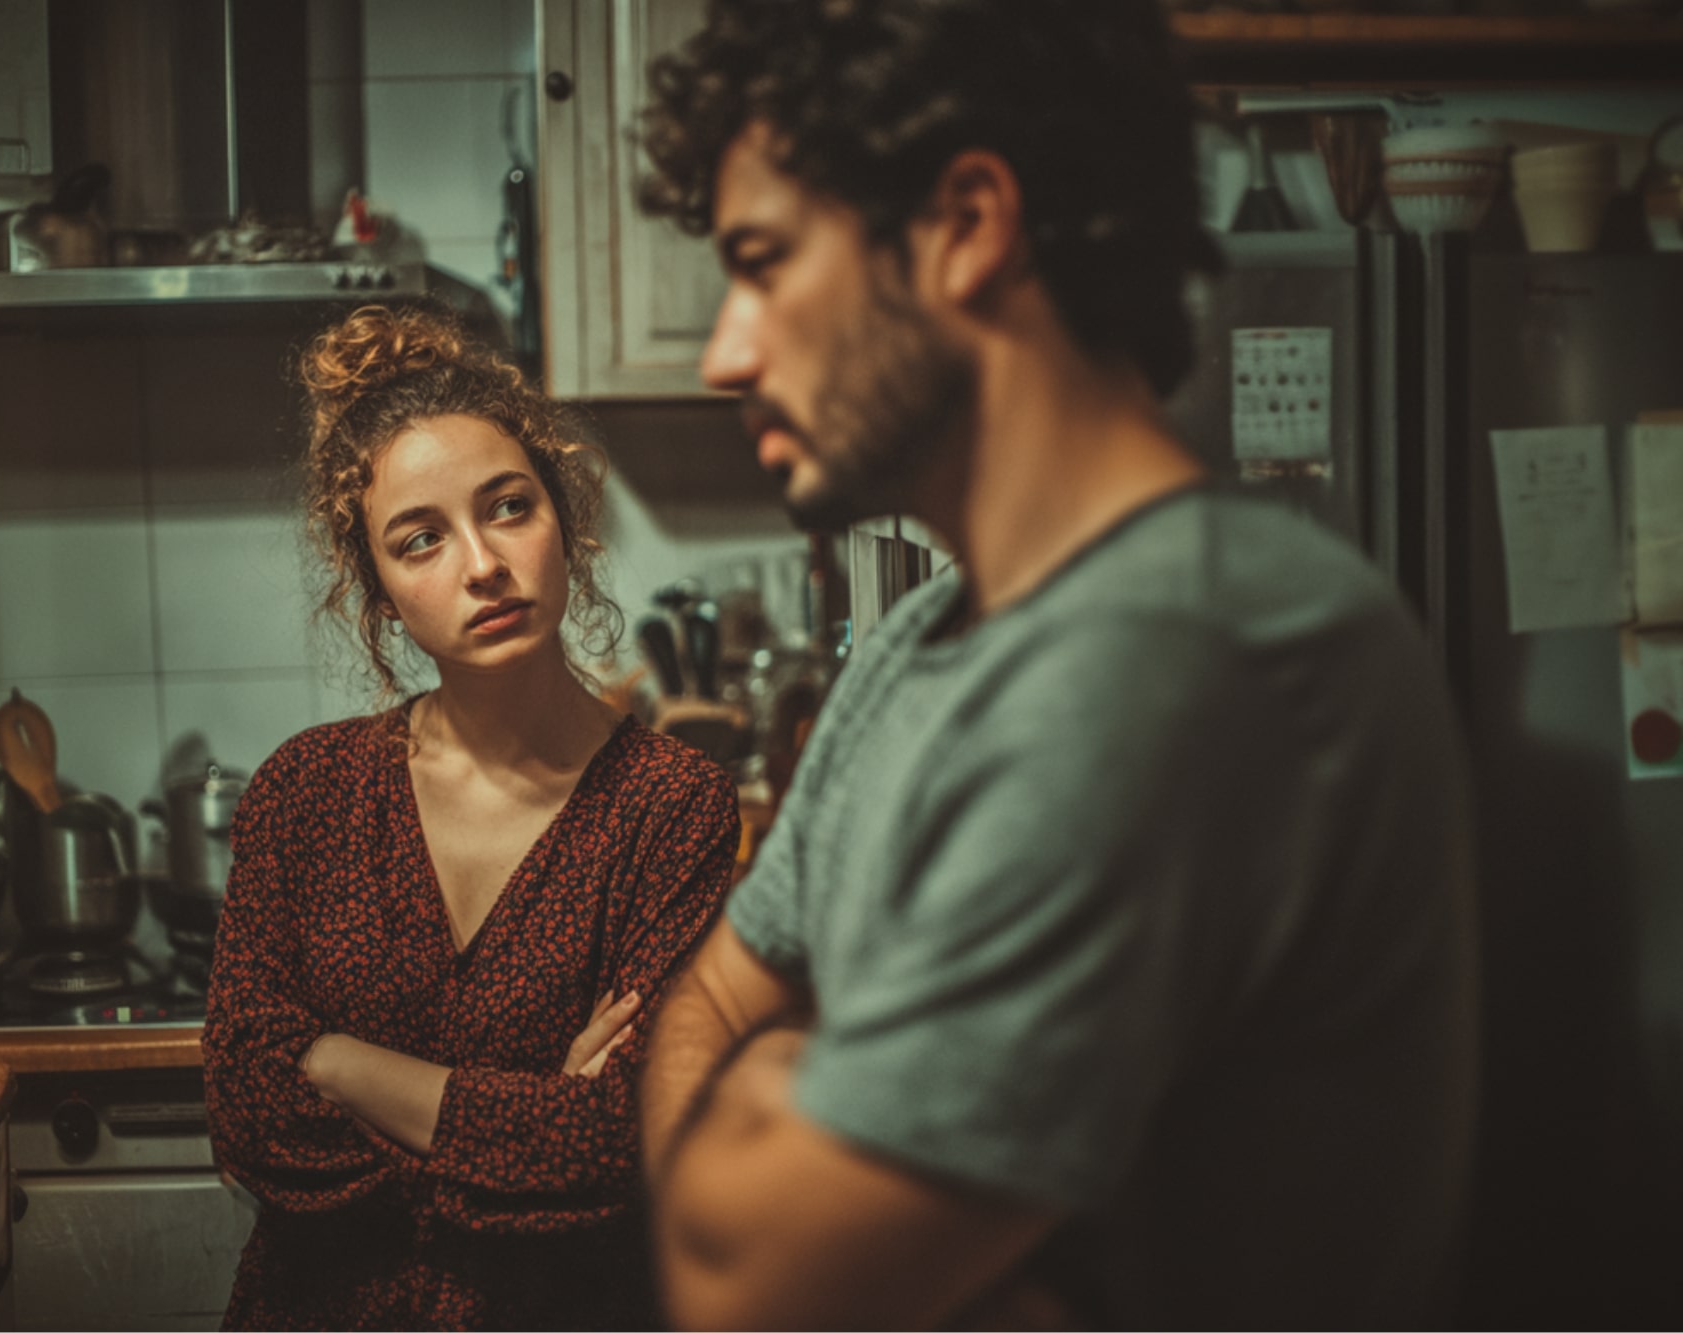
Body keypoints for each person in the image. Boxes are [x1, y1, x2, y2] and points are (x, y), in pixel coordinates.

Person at [632, 1, 1479, 1328]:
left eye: (762, 261)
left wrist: (784, 1076)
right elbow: (715, 998)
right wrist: (760, 1104)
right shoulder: (921, 641)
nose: (724, 352)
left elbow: (748, 1281)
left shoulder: (1174, 652)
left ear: (968, 224)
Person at [202, 303, 739, 1330]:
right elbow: (251, 1114)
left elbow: (616, 1144)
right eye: (421, 540)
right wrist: (529, 1116)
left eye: (507, 508)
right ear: (380, 592)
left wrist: (340, 1063)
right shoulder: (305, 793)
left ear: (563, 520)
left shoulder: (670, 806)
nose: (481, 565)